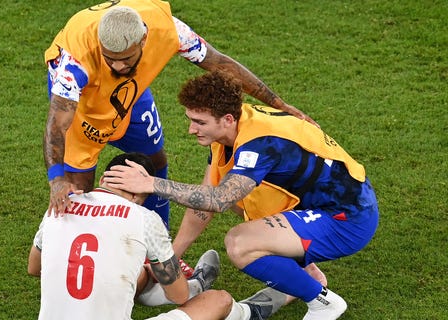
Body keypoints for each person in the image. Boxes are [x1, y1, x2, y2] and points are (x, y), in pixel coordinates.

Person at [103, 71, 380, 320]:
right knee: (228, 194)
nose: (191, 129)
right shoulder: (232, 129)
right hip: (316, 205)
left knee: (240, 244)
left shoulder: (259, 144)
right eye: (190, 120)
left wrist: (151, 183)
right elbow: (204, 203)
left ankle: (323, 302)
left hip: (348, 218)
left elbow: (218, 200)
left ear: (226, 119)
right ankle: (306, 272)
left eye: (199, 122)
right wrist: (171, 258)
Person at [43, 0, 317, 230]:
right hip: (84, 104)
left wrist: (279, 103)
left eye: (126, 58)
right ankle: (93, 256)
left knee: (154, 158)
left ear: (144, 40)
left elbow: (219, 63)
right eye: (109, 57)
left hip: (131, 93)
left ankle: (158, 240)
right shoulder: (72, 64)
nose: (117, 64)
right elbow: (57, 125)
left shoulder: (170, 30)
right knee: (78, 190)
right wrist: (56, 179)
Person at [28, 152, 257, 320]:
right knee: (219, 300)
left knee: (128, 272)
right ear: (142, 193)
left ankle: (186, 285)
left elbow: (34, 268)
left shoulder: (61, 205)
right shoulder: (143, 218)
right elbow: (178, 295)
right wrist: (160, 274)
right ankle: (248, 311)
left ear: (102, 181)